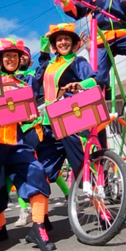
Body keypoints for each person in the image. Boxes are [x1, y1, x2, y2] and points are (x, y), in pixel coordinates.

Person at [0, 37, 54, 251]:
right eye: (7, 56)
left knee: (37, 172)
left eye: (14, 55)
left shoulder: (24, 85)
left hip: (17, 142)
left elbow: (27, 113)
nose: (11, 59)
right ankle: (0, 228)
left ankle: (38, 227)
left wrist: (31, 116)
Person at [33, 23, 97, 193]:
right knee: (42, 169)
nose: (63, 42)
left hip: (70, 116)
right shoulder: (50, 65)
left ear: (73, 42)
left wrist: (80, 84)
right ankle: (40, 216)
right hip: (49, 122)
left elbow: (94, 80)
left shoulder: (78, 61)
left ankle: (99, 203)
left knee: (80, 165)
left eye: (66, 39)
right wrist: (45, 42)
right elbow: (39, 74)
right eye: (59, 39)